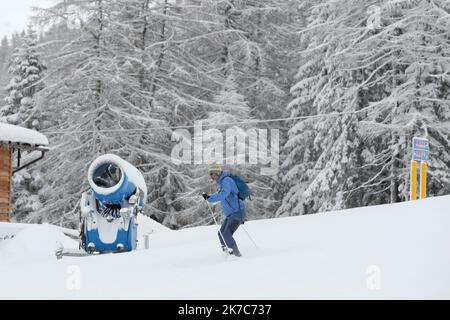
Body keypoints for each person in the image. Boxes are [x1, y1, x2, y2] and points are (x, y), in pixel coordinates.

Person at [202, 164, 246, 257]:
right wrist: (210, 198)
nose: (210, 176)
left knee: (226, 234)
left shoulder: (226, 181)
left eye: (211, 174)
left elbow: (223, 195)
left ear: (217, 173)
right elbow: (222, 195)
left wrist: (210, 198)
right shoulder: (222, 183)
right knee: (221, 234)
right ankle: (227, 255)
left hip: (237, 213)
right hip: (231, 214)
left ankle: (237, 255)